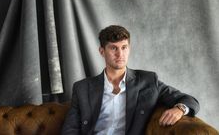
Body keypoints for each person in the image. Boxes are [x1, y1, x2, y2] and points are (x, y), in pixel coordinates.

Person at [61, 25, 200, 135]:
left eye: (124, 47)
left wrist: (180, 108)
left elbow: (189, 100)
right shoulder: (82, 88)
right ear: (102, 51)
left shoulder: (148, 81)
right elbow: (70, 129)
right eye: (113, 48)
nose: (120, 54)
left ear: (129, 49)